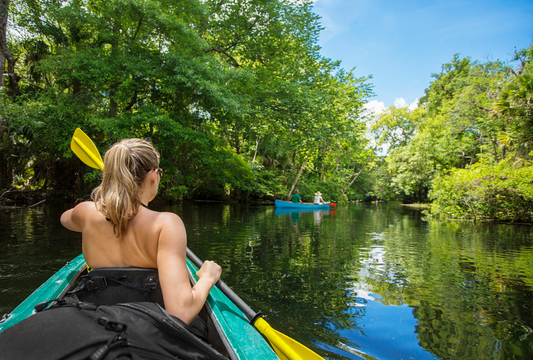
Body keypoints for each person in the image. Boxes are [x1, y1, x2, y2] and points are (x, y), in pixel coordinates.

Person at [60, 138, 221, 326]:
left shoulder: (85, 213)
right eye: (159, 172)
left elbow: (65, 219)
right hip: (148, 327)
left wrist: (105, 204)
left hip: (95, 320)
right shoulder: (166, 224)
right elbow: (181, 313)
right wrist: (208, 278)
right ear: (153, 175)